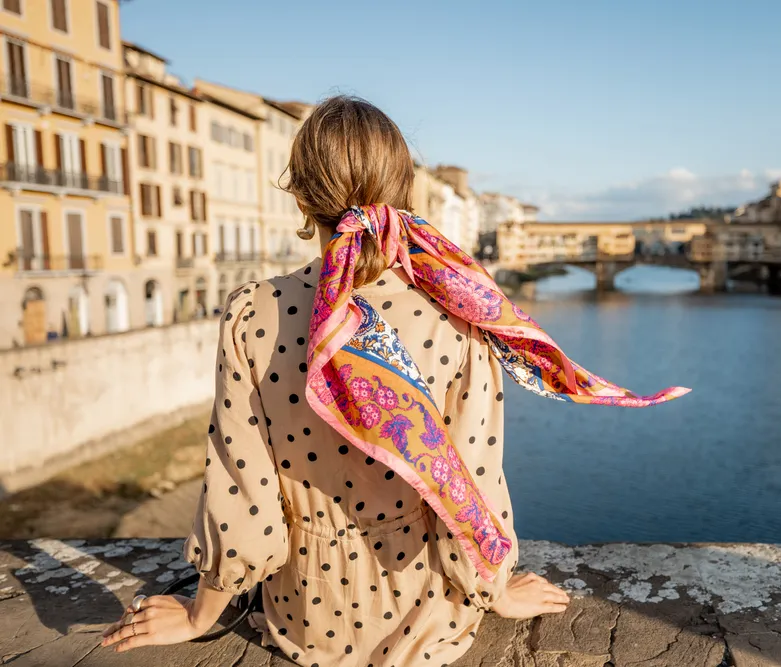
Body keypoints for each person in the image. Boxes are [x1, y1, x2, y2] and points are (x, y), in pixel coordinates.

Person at [101, 96, 689, 665]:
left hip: (303, 618)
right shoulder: (456, 314)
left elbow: (241, 490)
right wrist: (498, 590)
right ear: (404, 195)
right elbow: (472, 483)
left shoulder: (253, 313)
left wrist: (202, 616)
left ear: (302, 199)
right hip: (430, 615)